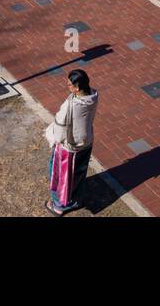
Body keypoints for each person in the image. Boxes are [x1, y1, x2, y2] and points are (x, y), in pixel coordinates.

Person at [45, 68, 99, 216]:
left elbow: (59, 131)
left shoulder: (70, 105)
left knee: (60, 175)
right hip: (86, 141)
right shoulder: (93, 96)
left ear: (77, 88)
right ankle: (77, 200)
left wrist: (53, 138)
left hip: (70, 147)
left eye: (69, 84)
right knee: (79, 173)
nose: (67, 86)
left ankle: (59, 205)